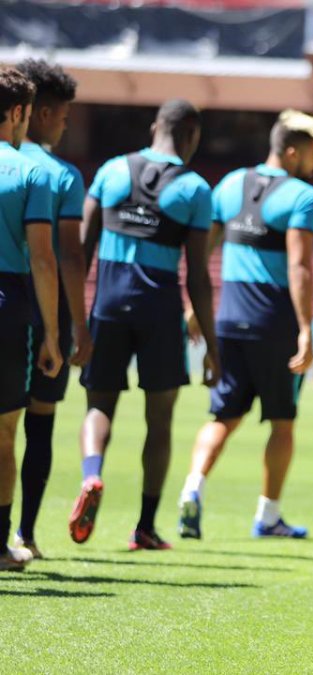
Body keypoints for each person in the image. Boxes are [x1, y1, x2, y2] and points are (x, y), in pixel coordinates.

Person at [73, 99, 218, 551]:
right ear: (191, 135)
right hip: (158, 309)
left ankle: (92, 474)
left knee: (99, 405)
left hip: (109, 304)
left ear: (156, 125)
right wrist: (212, 346)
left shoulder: (113, 171)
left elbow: (80, 249)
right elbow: (196, 275)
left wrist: (74, 318)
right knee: (160, 420)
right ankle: (145, 527)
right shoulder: (194, 189)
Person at [177, 109, 313, 540]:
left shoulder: (229, 184)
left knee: (223, 415)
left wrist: (194, 307)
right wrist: (304, 328)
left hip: (228, 320)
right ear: (292, 151)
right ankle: (269, 515)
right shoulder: (303, 196)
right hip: (274, 323)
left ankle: (192, 487)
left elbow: (203, 253)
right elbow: (299, 267)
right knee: (282, 422)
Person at [10, 59, 90, 560]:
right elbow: (69, 256)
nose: (65, 127)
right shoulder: (60, 176)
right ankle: (26, 534)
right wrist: (78, 325)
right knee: (40, 421)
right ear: (39, 115)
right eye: (62, 118)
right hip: (45, 313)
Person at [0, 67, 62, 571]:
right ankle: (0, 547)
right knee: (3, 432)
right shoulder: (30, 172)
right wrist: (54, 335)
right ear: (20, 113)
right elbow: (43, 258)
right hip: (9, 303)